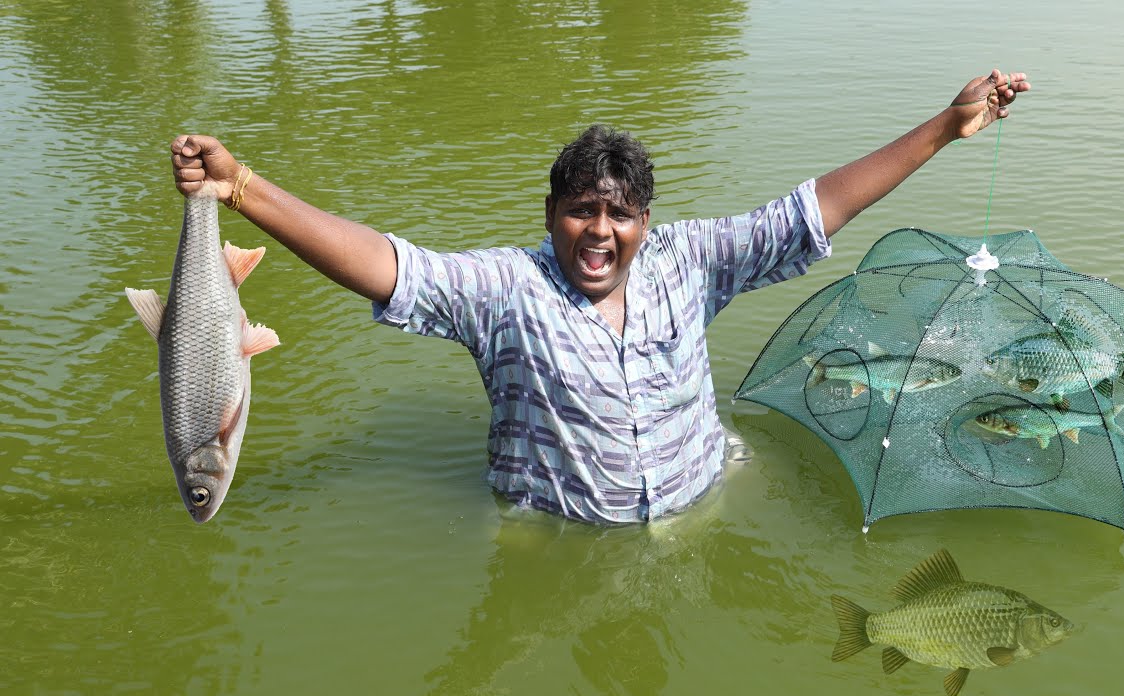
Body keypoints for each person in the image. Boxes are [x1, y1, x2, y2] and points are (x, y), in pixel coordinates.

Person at [171, 69, 1030, 524]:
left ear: (645, 223)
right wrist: (242, 187)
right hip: (556, 532)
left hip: (701, 508)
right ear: (551, 215)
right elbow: (387, 265)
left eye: (619, 214)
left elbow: (815, 209)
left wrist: (944, 128)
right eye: (581, 210)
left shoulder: (693, 261)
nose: (599, 231)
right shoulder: (505, 290)